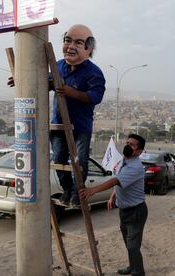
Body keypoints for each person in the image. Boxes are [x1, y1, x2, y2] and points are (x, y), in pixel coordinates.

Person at [50, 24, 106, 207]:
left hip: (80, 128)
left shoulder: (94, 73)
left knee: (79, 162)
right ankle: (67, 189)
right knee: (58, 158)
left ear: (88, 49)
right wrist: (21, 78)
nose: (71, 46)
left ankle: (77, 194)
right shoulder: (58, 66)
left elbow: (94, 97)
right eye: (67, 40)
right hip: (58, 125)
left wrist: (69, 91)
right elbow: (43, 80)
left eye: (78, 43)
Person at [80, 134, 148, 276]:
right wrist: (113, 196)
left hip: (136, 211)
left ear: (139, 151)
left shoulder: (135, 167)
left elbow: (115, 181)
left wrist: (93, 190)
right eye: (127, 142)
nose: (127, 146)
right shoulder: (124, 161)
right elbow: (121, 183)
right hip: (124, 210)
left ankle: (138, 272)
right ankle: (132, 265)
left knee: (133, 245)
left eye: (132, 145)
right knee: (129, 244)